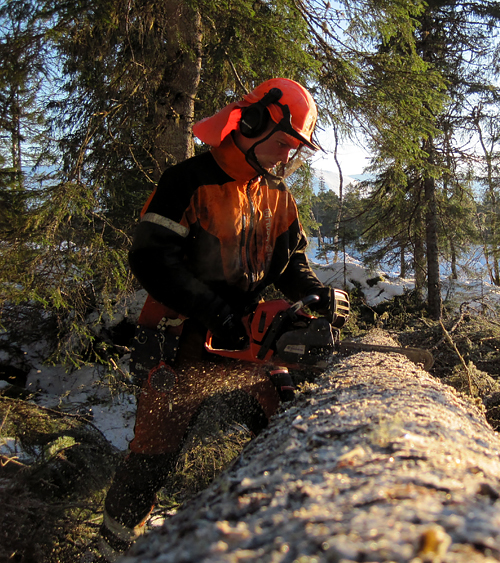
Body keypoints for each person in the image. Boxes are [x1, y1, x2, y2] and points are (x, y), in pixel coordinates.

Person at [88, 78, 348, 562]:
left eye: (294, 149)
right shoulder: (188, 181)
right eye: (282, 144)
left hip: (244, 337)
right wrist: (212, 309)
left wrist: (315, 294)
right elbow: (151, 258)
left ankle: (282, 538)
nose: (286, 156)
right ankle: (112, 548)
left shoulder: (277, 195)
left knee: (285, 424)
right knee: (154, 453)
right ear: (251, 124)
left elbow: (292, 264)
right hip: (177, 337)